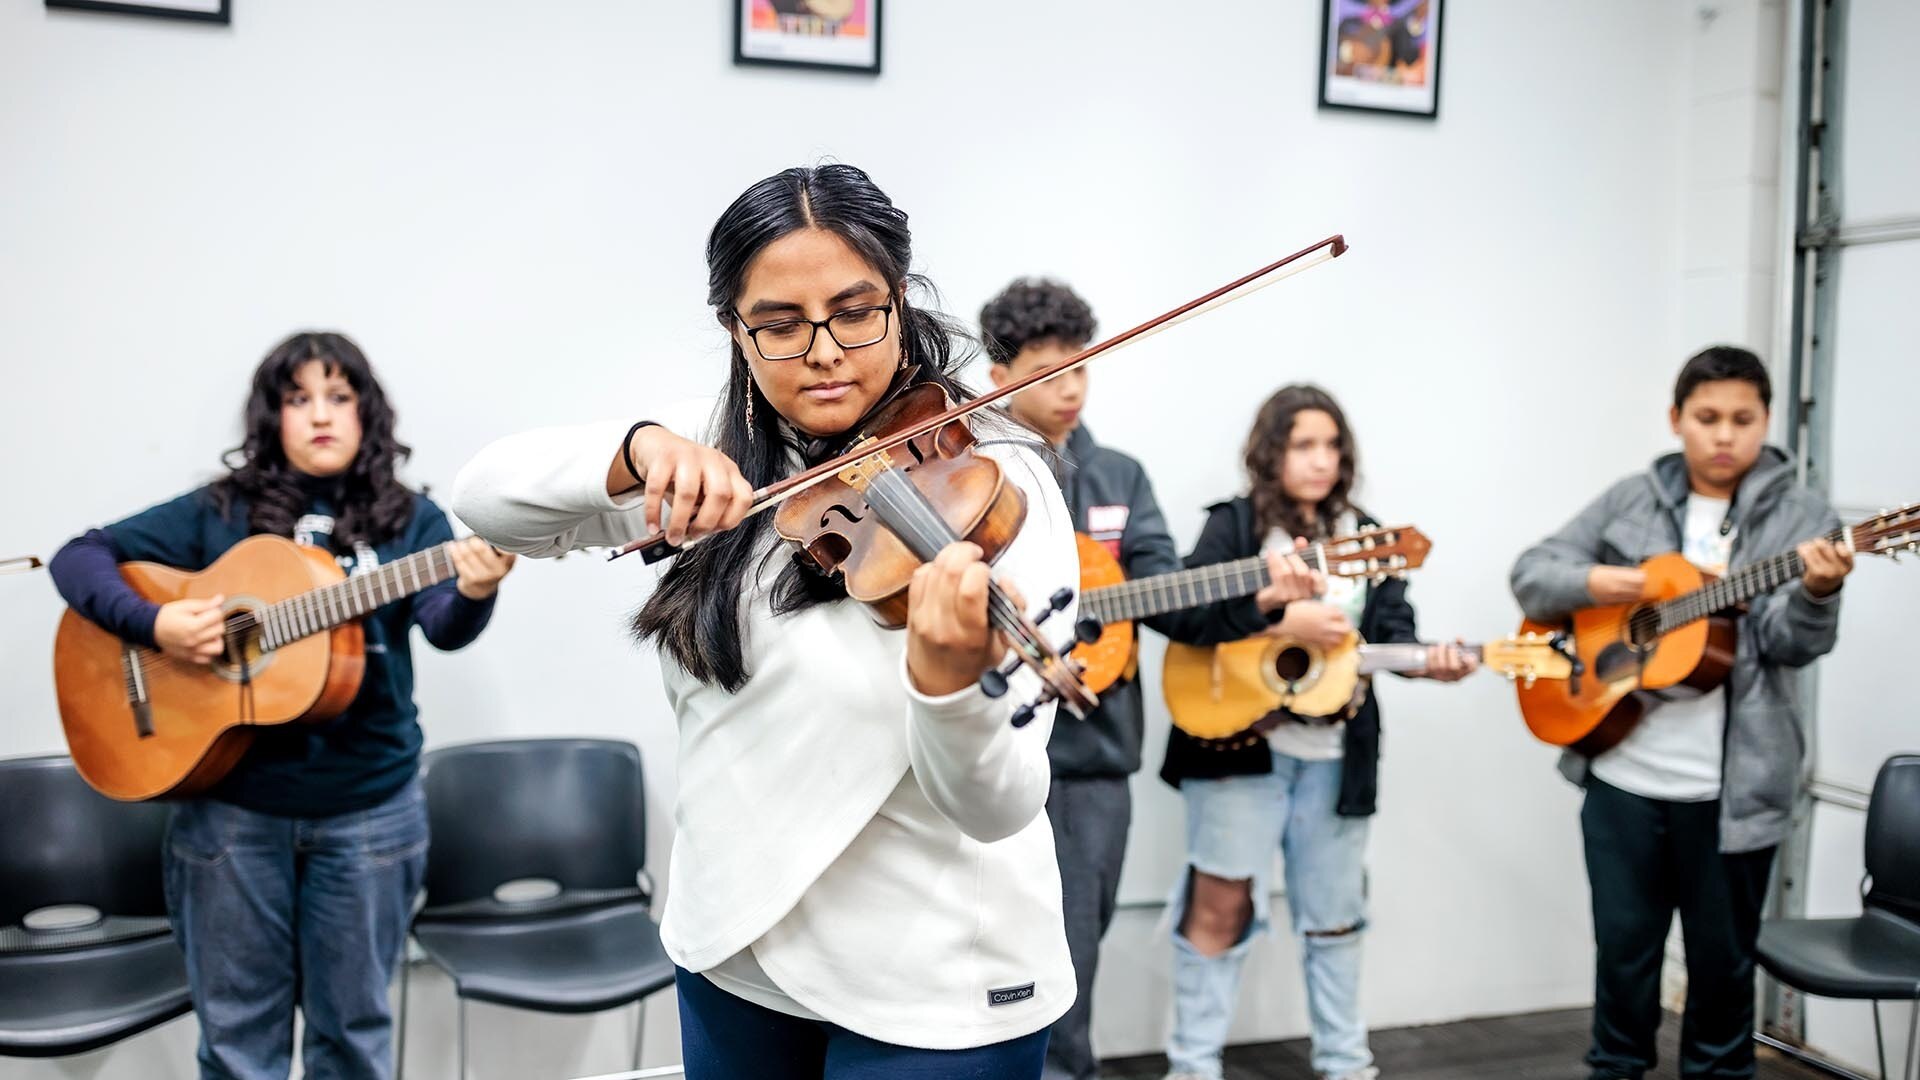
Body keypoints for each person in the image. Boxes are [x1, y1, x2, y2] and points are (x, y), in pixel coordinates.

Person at [453, 165, 1280, 1079]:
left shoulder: (1001, 482)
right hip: (732, 950)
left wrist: (948, 684)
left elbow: (999, 803)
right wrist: (639, 450)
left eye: (856, 311)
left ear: (900, 299)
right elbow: (487, 498)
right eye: (779, 323)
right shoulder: (717, 449)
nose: (824, 351)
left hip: (934, 985)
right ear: (735, 326)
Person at [48, 331, 513, 1080]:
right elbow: (78, 557)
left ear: (368, 413)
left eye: (339, 395)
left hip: (370, 815)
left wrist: (477, 587)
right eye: (299, 399)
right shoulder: (220, 511)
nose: (321, 414)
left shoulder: (412, 521)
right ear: (273, 417)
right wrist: (157, 622)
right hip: (231, 816)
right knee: (238, 1045)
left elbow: (443, 628)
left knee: (354, 1040)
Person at [1510, 345, 1853, 1080]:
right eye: (1706, 418)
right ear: (1676, 420)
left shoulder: (1802, 517)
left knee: (1723, 978)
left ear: (1767, 422)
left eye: (1741, 419)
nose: (1723, 436)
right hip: (1625, 780)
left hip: (1733, 798)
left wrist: (1819, 594)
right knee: (1624, 963)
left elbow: (1791, 646)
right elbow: (1532, 575)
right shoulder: (1632, 499)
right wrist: (1607, 583)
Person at [1156, 384, 1476, 1080]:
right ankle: (1192, 1066)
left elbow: (1394, 636)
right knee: (1218, 908)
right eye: (1303, 444)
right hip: (1237, 749)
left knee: (1335, 916)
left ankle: (1345, 1063)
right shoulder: (1234, 527)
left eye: (1332, 445)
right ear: (1271, 451)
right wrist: (1276, 620)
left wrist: (1433, 664)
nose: (1321, 459)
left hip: (1337, 756)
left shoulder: (1371, 534)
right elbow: (1180, 617)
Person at [979, 277, 1182, 1080]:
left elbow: (1168, 587)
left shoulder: (1120, 477)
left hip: (1095, 758)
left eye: (1082, 369)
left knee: (1077, 947)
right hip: (990, 755)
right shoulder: (973, 472)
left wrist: (1258, 592)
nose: (1069, 390)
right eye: (1047, 372)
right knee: (992, 951)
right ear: (998, 378)